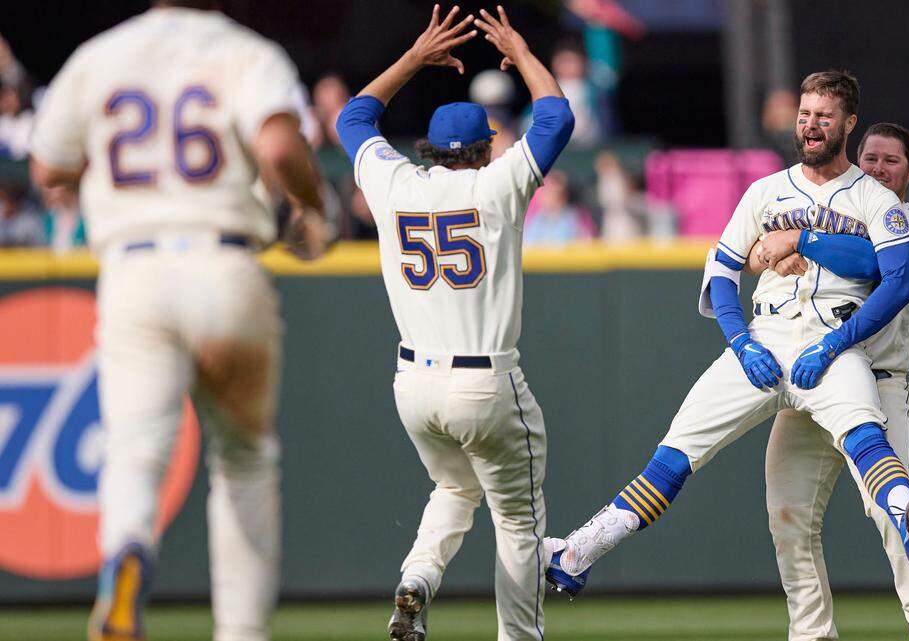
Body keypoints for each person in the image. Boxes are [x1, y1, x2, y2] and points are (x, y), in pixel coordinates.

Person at [544, 70, 909, 598]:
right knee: (677, 451)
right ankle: (577, 551)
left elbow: (892, 278)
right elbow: (722, 273)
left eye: (824, 117)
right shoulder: (767, 190)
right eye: (804, 116)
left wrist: (825, 320)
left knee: (866, 437)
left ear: (848, 123)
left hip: (837, 339)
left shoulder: (876, 199)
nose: (812, 126)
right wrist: (740, 341)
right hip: (767, 335)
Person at [28, 1, 329, 640]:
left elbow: (47, 166)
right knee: (244, 458)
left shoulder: (100, 55)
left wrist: (102, 163)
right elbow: (278, 146)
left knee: (135, 453)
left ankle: (128, 553)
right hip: (226, 260)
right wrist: (311, 204)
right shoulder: (245, 50)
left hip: (135, 268)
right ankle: (242, 631)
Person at [333, 5, 573, 640]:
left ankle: (416, 580)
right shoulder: (497, 188)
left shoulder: (394, 185)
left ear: (432, 150)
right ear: (487, 148)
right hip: (486, 382)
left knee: (457, 487)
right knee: (519, 523)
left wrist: (414, 57)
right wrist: (519, 51)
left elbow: (352, 117)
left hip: (414, 386)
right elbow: (556, 115)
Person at [749, 123, 909, 641]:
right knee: (787, 519)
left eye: (891, 161)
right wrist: (782, 247)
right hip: (810, 385)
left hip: (879, 384)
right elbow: (755, 254)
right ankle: (812, 635)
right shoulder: (833, 214)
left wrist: (802, 242)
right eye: (870, 158)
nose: (879, 168)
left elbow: (878, 271)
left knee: (898, 520)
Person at [523, 169, 594, 246]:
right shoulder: (535, 220)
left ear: (564, 195)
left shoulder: (576, 218)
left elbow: (586, 243)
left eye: (551, 193)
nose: (546, 197)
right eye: (545, 193)